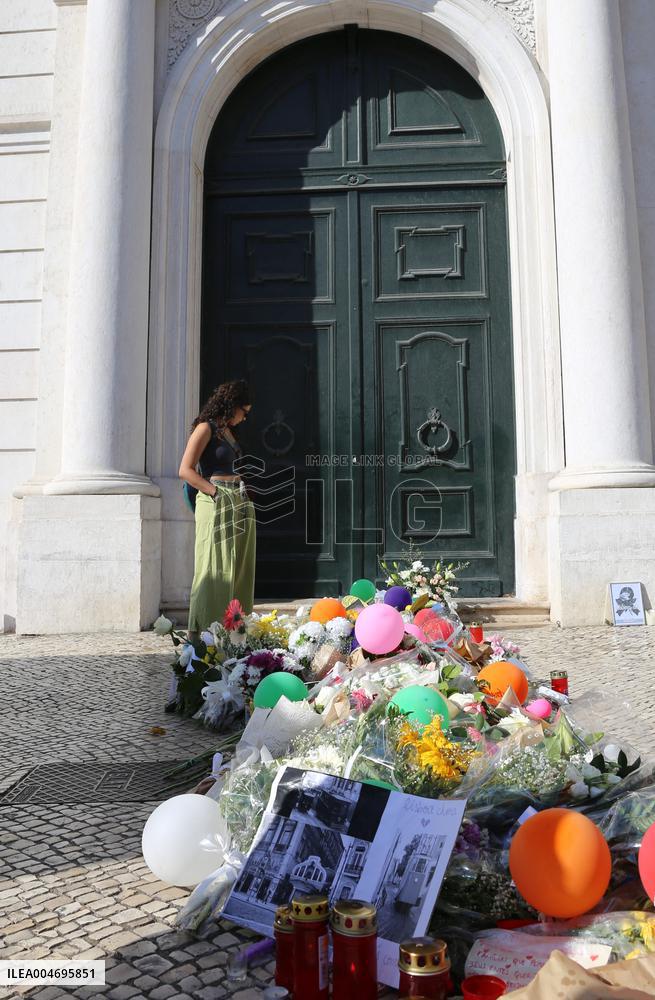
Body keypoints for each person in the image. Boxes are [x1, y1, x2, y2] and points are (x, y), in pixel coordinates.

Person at [179, 379, 256, 633]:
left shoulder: (229, 432)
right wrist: (215, 493)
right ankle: (203, 636)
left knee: (239, 569)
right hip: (216, 500)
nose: (244, 417)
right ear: (231, 405)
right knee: (212, 567)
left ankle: (234, 635)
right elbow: (185, 470)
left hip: (238, 501)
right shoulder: (205, 428)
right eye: (243, 411)